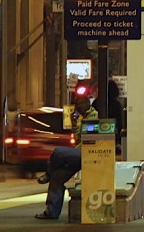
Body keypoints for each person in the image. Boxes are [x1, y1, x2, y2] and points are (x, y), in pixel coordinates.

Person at [34, 89, 98, 220]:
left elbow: (88, 135)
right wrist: (74, 123)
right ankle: (51, 211)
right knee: (57, 178)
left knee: (58, 152)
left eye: (81, 104)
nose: (78, 106)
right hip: (79, 151)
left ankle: (48, 173)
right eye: (76, 104)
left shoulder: (93, 115)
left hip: (87, 153)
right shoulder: (79, 117)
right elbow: (77, 136)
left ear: (88, 103)